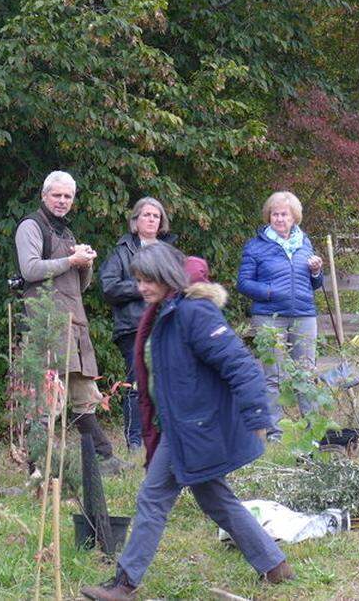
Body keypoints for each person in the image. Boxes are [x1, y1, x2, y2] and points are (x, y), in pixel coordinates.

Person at [80, 245, 293, 600]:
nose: (142, 286)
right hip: (179, 428)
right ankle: (274, 565)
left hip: (194, 430)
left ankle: (124, 584)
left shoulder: (194, 313)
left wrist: (258, 415)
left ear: (167, 277)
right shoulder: (162, 313)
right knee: (215, 499)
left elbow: (240, 365)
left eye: (148, 279)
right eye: (138, 279)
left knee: (152, 498)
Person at [16, 171, 131, 475]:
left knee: (83, 396)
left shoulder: (66, 232)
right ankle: (37, 469)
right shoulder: (31, 226)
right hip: (45, 324)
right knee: (46, 400)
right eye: (57, 195)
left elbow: (79, 286)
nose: (63, 201)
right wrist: (70, 261)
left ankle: (103, 459)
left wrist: (87, 264)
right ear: (44, 196)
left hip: (73, 323)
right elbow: (29, 269)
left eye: (68, 196)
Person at [236, 191, 324, 428]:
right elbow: (243, 283)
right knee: (272, 375)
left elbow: (315, 284)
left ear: (294, 217)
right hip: (269, 317)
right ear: (269, 217)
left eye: (284, 214)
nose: (279, 219)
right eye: (275, 214)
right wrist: (269, 292)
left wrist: (316, 271)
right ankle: (274, 429)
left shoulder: (305, 243)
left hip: (304, 314)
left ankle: (312, 427)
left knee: (305, 373)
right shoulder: (255, 246)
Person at [100, 197, 177, 452]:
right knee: (138, 384)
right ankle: (135, 442)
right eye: (146, 215)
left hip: (167, 324)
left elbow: (183, 284)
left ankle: (168, 437)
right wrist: (143, 287)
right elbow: (108, 287)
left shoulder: (170, 252)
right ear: (135, 221)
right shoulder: (122, 252)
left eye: (156, 216)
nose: (152, 219)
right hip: (133, 326)